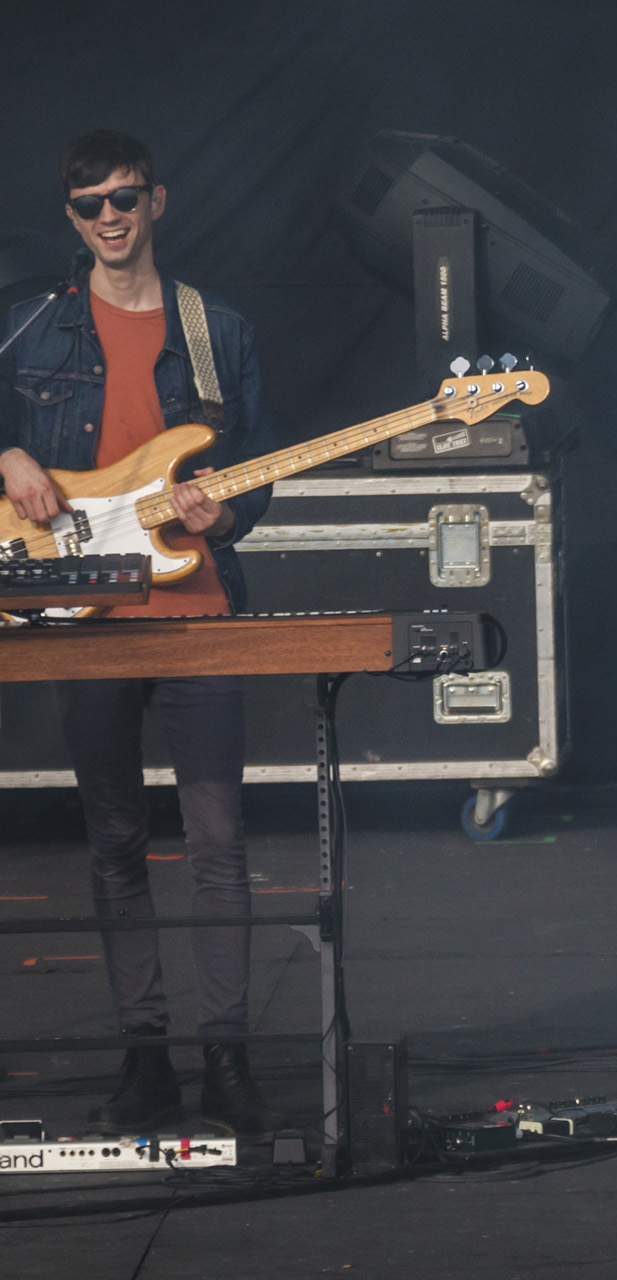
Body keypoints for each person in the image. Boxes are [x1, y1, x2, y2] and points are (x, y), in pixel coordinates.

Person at [0, 129, 281, 1137]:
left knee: (217, 841)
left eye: (125, 198)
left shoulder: (218, 330)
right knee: (115, 843)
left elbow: (262, 472)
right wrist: (9, 455)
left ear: (157, 200)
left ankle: (229, 1060)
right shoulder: (33, 326)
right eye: (89, 205)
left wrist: (230, 513)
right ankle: (147, 1057)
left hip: (198, 612)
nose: (109, 218)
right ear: (70, 215)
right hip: (87, 619)